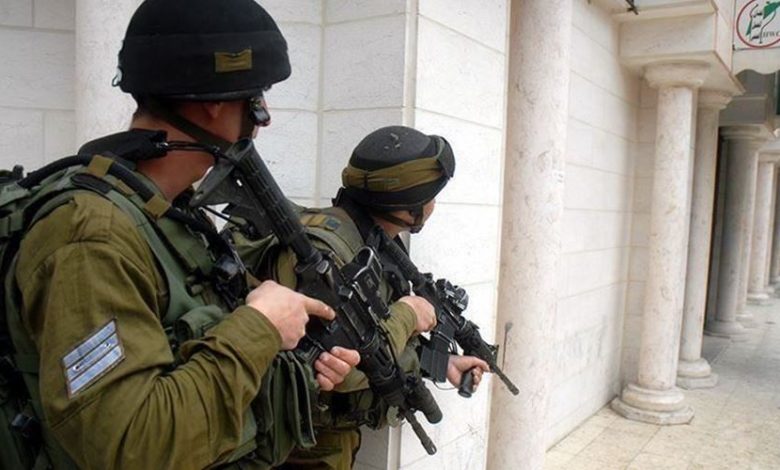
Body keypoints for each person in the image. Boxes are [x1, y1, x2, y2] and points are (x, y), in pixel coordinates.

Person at [2, 1, 359, 469]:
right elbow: (131, 446)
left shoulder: (167, 212)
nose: (264, 116)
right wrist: (261, 327)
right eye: (256, 99)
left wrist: (293, 345)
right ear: (215, 105)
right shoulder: (91, 234)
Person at [238, 125, 490, 469]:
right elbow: (343, 364)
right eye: (431, 195)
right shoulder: (329, 254)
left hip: (320, 438)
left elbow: (369, 334)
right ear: (410, 209)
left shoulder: (371, 241)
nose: (434, 204)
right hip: (304, 447)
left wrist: (440, 363)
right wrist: (408, 314)